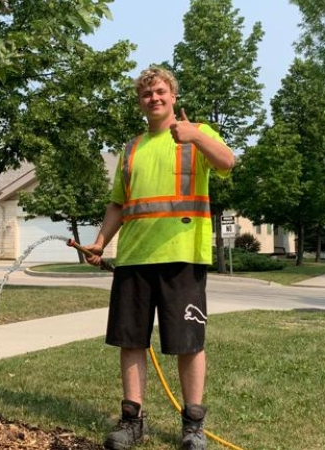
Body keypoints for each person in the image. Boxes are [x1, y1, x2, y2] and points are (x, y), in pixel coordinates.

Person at [83, 66, 235, 450]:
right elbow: (118, 204)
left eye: (161, 91)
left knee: (188, 342)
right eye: (147, 93)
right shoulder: (131, 149)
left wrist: (196, 136)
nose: (154, 98)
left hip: (183, 256)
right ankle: (132, 422)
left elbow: (227, 162)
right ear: (140, 102)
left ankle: (193, 425)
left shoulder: (195, 134)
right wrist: (100, 242)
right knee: (130, 341)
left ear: (173, 95)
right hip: (134, 258)